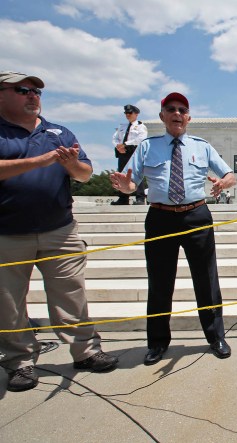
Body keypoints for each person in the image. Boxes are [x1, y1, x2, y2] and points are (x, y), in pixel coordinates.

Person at [0, 71, 118, 392]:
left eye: (37, 91)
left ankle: (86, 350)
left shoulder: (58, 132)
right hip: (7, 232)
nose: (33, 95)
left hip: (59, 228)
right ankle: (19, 361)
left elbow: (84, 173)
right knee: (8, 302)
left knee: (71, 293)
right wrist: (39, 162)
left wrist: (69, 165)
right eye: (23, 90)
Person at [110, 92, 236, 365]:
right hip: (160, 216)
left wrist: (223, 184)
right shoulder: (147, 146)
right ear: (162, 116)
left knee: (207, 280)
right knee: (159, 282)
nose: (177, 114)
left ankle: (216, 337)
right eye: (171, 109)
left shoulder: (202, 146)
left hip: (196, 215)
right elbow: (132, 183)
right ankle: (157, 343)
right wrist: (125, 187)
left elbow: (229, 174)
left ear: (189, 117)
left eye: (182, 110)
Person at [111, 104, 148, 205]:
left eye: (130, 113)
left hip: (134, 151)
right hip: (122, 152)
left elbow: (141, 138)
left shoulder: (141, 126)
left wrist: (125, 144)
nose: (127, 115)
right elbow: (115, 138)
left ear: (136, 114)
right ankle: (123, 198)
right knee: (121, 174)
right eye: (126, 113)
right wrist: (118, 146)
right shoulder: (122, 126)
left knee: (137, 173)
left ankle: (140, 198)